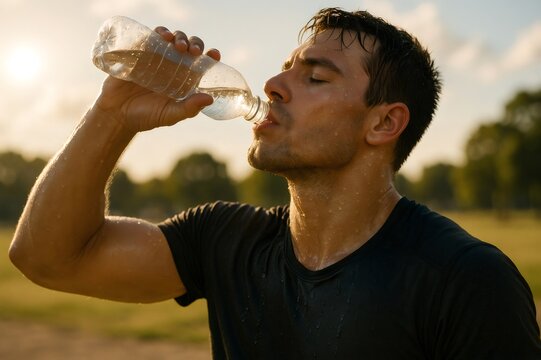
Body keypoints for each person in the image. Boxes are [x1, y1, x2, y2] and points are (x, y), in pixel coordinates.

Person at [9, 7, 541, 359]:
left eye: (314, 77)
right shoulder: (225, 239)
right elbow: (46, 258)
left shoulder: (466, 280)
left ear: (383, 123)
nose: (273, 85)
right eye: (285, 68)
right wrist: (114, 113)